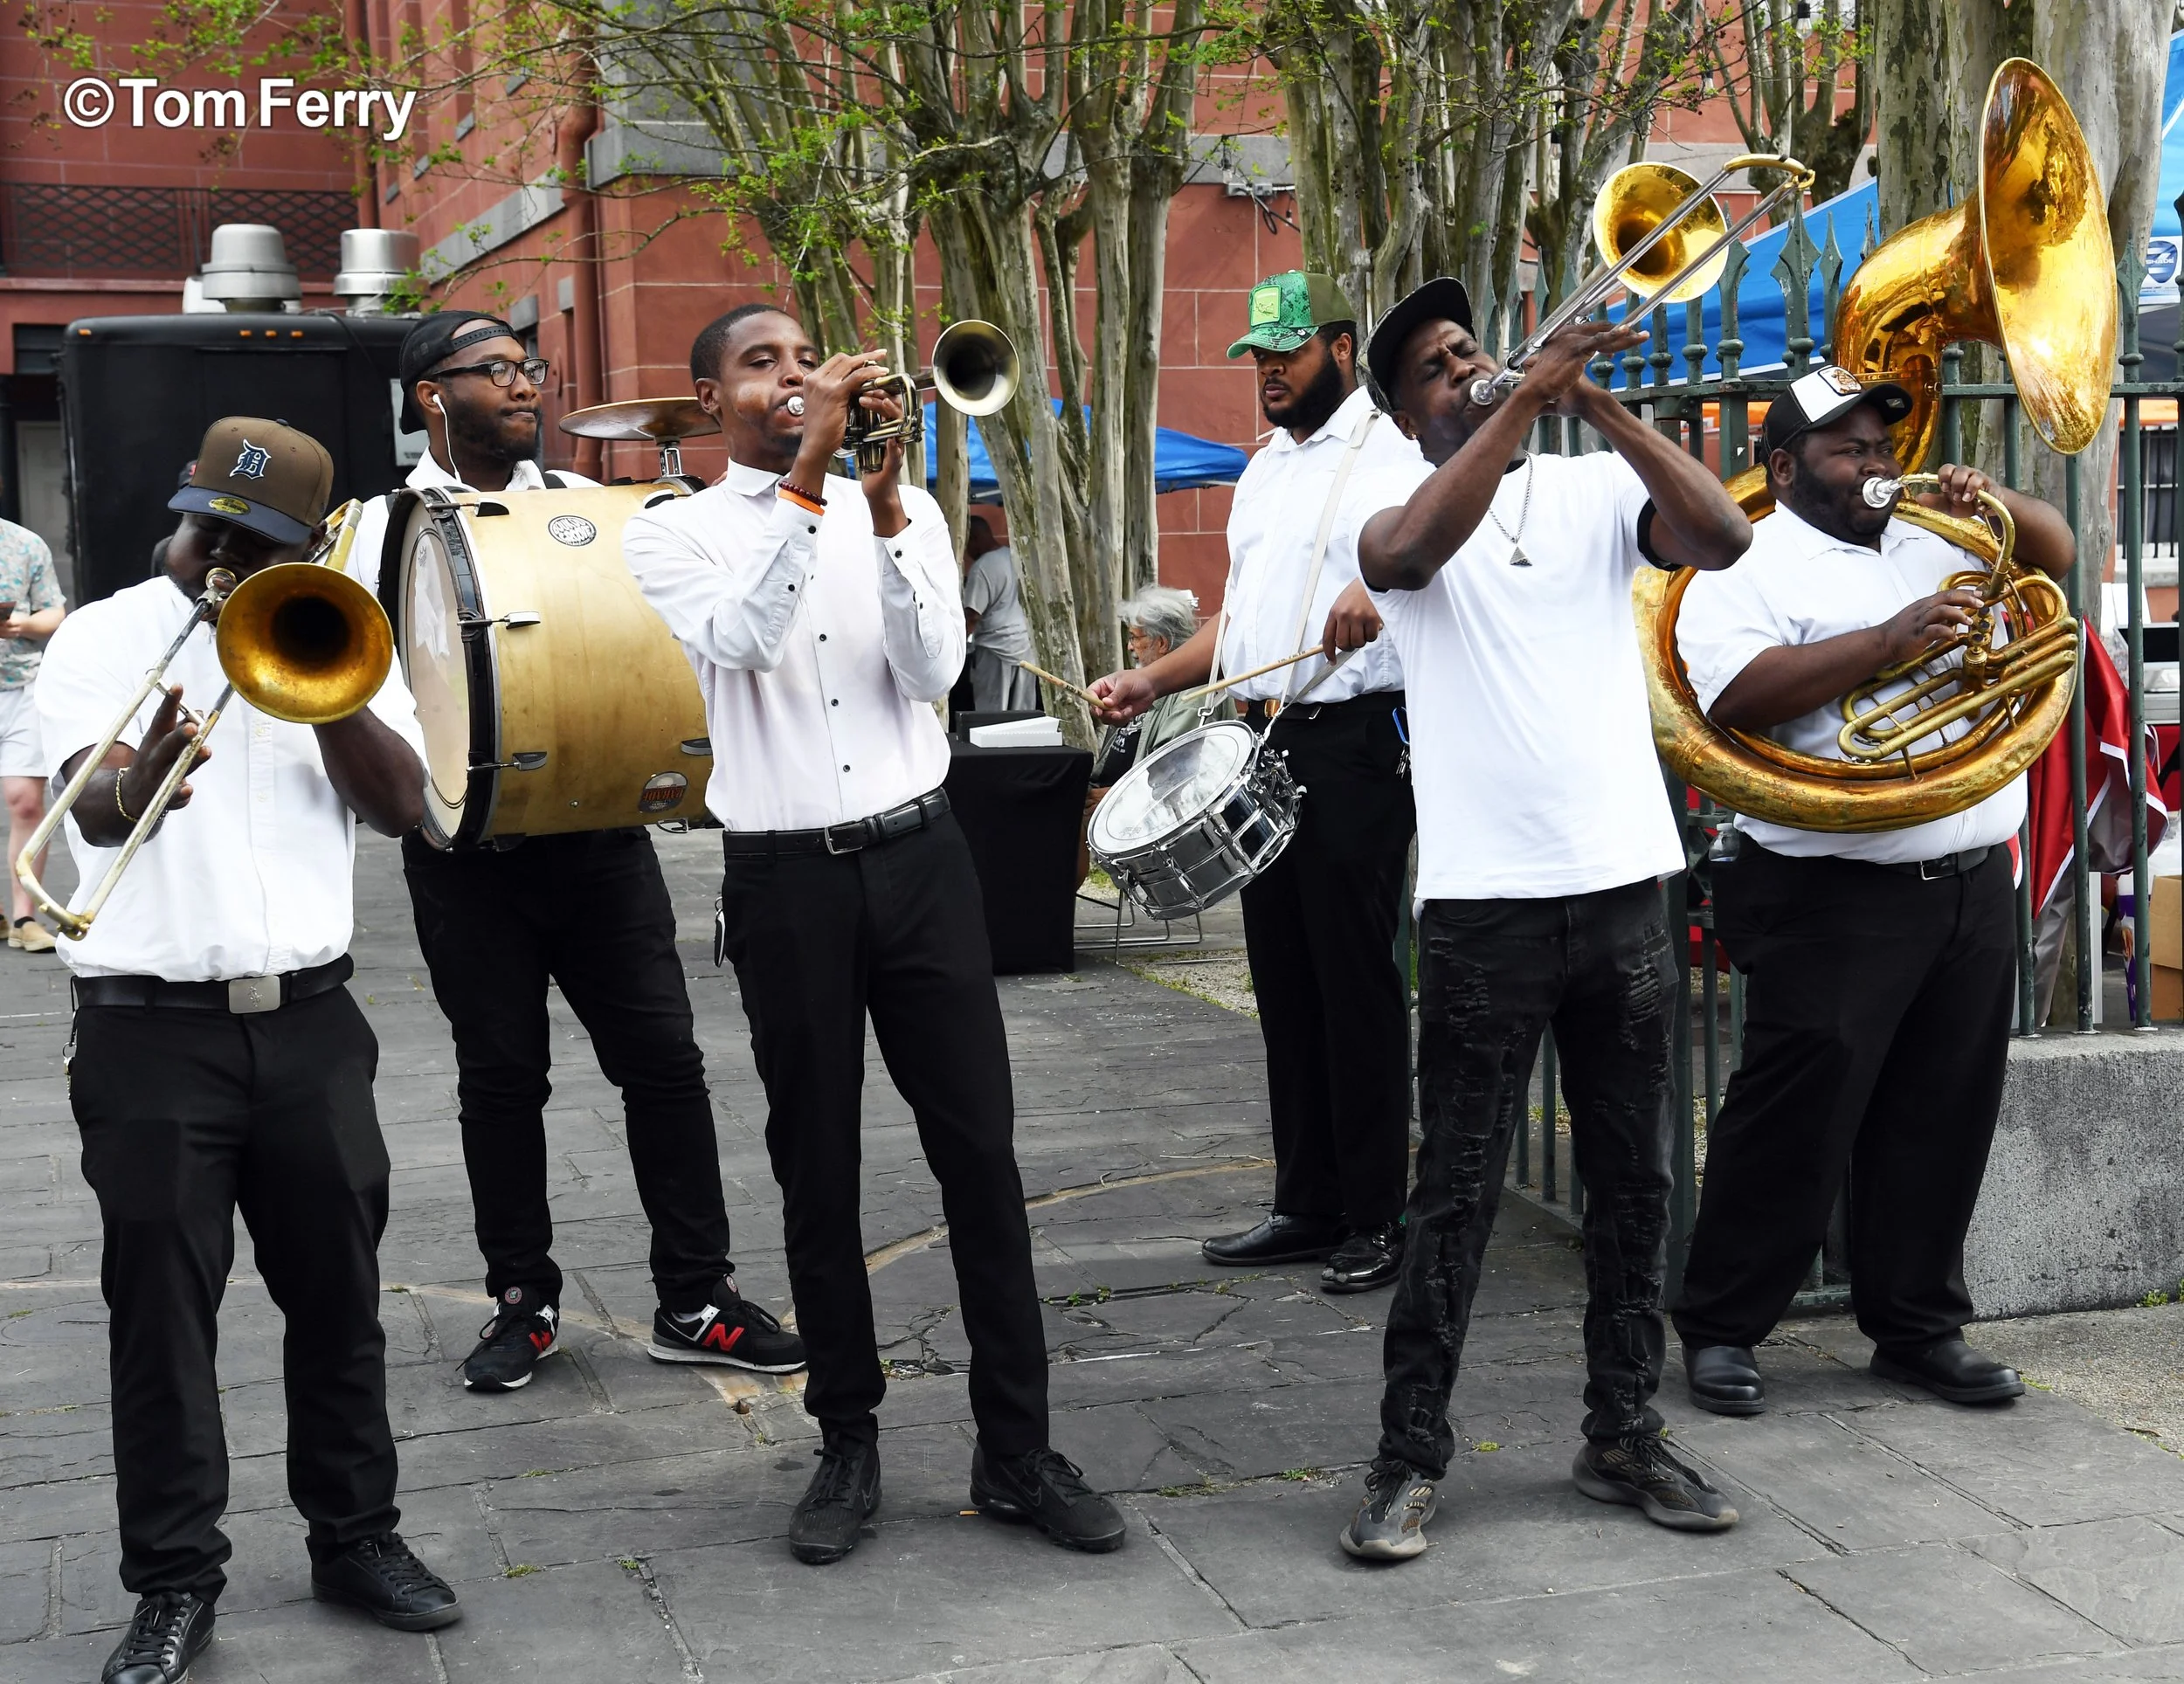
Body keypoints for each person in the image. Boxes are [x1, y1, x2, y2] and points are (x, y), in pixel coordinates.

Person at [622, 303, 1127, 1566]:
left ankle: (1017, 1450)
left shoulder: (892, 510)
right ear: (707, 399)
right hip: (788, 881)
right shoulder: (675, 532)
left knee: (982, 1158)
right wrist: (810, 479)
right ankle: (847, 1439)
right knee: (818, 1166)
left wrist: (893, 512)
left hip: (922, 859)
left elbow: (929, 673)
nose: (795, 376)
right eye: (762, 364)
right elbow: (743, 637)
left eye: (806, 358)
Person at [36, 419, 461, 1684]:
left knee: (339, 1303)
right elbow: (90, 808)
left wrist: (315, 688)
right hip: (149, 1037)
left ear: (309, 543)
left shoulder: (334, 628)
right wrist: (149, 772)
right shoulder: (98, 636)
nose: (218, 558)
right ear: (178, 508)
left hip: (315, 1025)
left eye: (254, 543)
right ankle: (173, 1584)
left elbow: (404, 811)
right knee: (159, 1323)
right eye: (206, 528)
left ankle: (357, 1537)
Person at [1337, 279, 1752, 1563]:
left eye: (1471, 348)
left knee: (1636, 1183)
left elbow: (1725, 537)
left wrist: (1600, 403)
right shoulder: (1398, 516)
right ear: (1409, 420)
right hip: (1484, 913)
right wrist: (1522, 394)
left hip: (1626, 888)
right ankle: (1410, 1457)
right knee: (1452, 1195)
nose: (1464, 366)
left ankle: (1623, 1429)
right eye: (1435, 370)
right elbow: (1405, 563)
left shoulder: (1583, 491)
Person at [348, 314, 804, 1393]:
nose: (523, 385)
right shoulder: (380, 526)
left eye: (527, 367)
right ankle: (523, 1299)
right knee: (501, 1080)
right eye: (494, 370)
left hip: (600, 834)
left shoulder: (581, 512)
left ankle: (695, 1294)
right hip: (467, 849)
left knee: (667, 1067)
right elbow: (362, 684)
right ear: (430, 395)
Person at [1669, 366, 2076, 1416]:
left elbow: (2058, 556)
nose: (1873, 462)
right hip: (1829, 888)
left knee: (1942, 1112)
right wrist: (1888, 645)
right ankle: (1721, 1324)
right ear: (1782, 465)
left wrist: (1986, 500)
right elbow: (1738, 695)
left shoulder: (1933, 539)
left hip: (1972, 878)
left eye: (1879, 443)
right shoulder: (1740, 558)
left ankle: (1917, 1327)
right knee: (1795, 1115)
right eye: (1846, 447)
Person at [1090, 272, 1425, 1296]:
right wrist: (1149, 677)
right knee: (1284, 980)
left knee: (1357, 985)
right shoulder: (1265, 468)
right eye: (1258, 357)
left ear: (1338, 343)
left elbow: (1436, 561)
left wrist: (1378, 585)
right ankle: (1306, 1200)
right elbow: (1237, 621)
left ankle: (1376, 1212)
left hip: (1357, 740)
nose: (1269, 372)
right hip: (1263, 734)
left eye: (1287, 352)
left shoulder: (1396, 454)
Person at [1079, 586, 1234, 886]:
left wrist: (1117, 798)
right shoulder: (1139, 684)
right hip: (1110, 797)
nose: (1130, 647)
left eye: (1135, 637)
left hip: (1143, 811)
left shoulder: (1192, 692)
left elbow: (1176, 771)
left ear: (1161, 643)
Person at [1, 514, 66, 952]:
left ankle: (25, 916)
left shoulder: (25, 543)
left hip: (22, 685)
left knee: (26, 801)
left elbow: (55, 610)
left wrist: (21, 624)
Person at [963, 514, 1039, 712]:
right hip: (1025, 647)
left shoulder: (982, 567)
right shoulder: (1016, 558)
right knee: (1023, 714)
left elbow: (972, 615)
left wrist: (958, 647)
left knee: (991, 715)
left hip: (994, 649)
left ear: (974, 539)